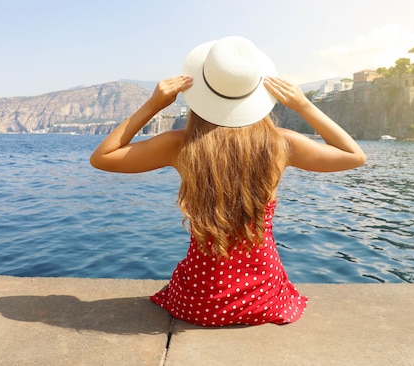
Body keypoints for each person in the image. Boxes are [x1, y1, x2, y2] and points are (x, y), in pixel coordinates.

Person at [90, 36, 366, 326]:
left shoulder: (181, 145)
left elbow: (102, 157)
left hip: (199, 299)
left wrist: (153, 104)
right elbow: (354, 155)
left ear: (200, 92)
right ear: (257, 94)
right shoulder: (278, 144)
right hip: (263, 297)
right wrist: (302, 105)